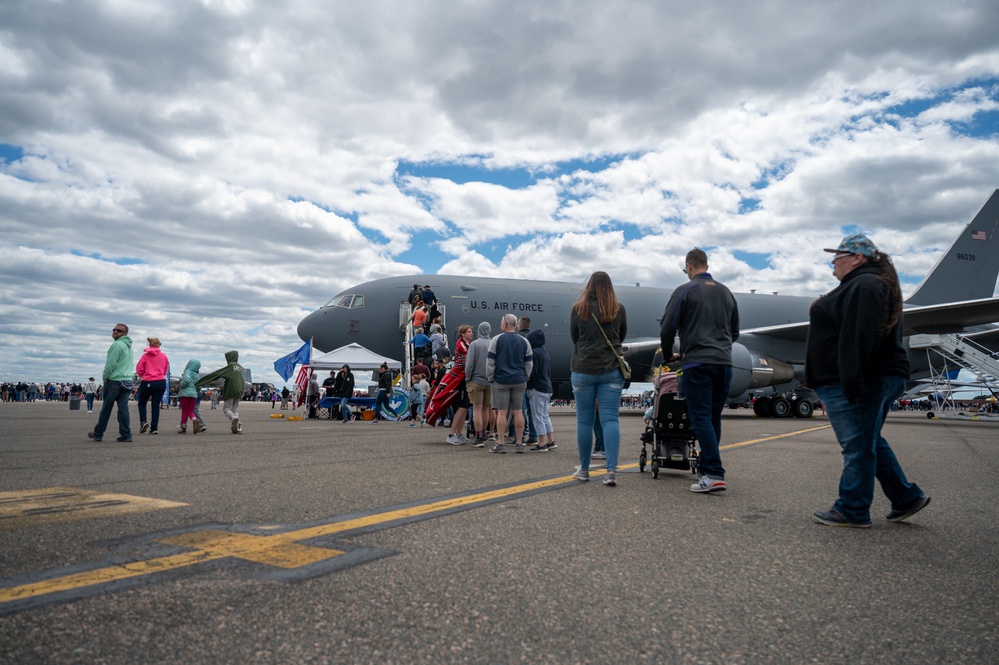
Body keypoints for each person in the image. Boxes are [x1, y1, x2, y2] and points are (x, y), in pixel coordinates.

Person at [806, 234, 930, 528]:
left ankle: (852, 509)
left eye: (836, 257)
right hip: (871, 377)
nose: (832, 264)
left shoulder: (864, 285)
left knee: (857, 445)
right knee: (868, 440)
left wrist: (851, 380)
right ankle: (906, 498)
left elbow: (858, 337)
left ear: (857, 258)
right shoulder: (866, 284)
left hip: (860, 379)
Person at [660, 249, 739, 493]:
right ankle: (706, 469)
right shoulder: (726, 292)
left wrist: (667, 356)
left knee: (700, 417)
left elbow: (666, 328)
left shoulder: (685, 290)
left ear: (689, 267)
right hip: (724, 363)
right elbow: (734, 331)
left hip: (697, 362)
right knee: (713, 417)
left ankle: (714, 472)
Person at [570, 272, 627, 485]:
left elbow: (575, 337)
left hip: (583, 368)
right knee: (610, 419)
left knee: (584, 420)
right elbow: (620, 336)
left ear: (590, 286)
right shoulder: (618, 309)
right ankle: (611, 471)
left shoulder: (578, 309)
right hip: (611, 368)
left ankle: (584, 470)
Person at [487, 314, 533, 453]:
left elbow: (490, 362)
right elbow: (529, 363)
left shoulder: (496, 339)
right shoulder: (524, 341)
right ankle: (519, 443)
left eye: (502, 322)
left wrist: (491, 377)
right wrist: (525, 376)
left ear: (505, 324)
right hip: (519, 380)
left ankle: (501, 443)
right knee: (519, 411)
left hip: (501, 380)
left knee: (501, 413)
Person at [87, 323, 135, 443]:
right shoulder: (129, 347)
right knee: (123, 408)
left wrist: (105, 377)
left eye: (118, 330)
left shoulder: (117, 345)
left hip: (115, 381)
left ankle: (98, 433)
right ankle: (126, 434)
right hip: (127, 381)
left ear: (124, 333)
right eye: (114, 330)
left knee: (106, 409)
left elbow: (111, 364)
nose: (115, 332)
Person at [195, 351, 246, 434]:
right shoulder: (240, 367)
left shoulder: (230, 366)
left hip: (231, 390)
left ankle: (233, 418)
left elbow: (217, 374)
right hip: (239, 391)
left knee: (226, 409)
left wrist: (200, 382)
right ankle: (238, 426)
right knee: (234, 409)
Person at [526, 328, 556, 452]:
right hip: (547, 387)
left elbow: (533, 373)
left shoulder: (534, 353)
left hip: (537, 388)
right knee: (544, 415)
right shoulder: (544, 352)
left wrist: (527, 382)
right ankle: (551, 440)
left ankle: (542, 444)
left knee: (537, 416)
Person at [464, 321, 493, 447]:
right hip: (490, 381)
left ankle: (479, 436)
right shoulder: (494, 343)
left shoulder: (474, 344)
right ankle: (485, 432)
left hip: (476, 380)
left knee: (477, 409)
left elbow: (469, 364)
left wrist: (468, 377)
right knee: (486, 408)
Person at [135, 337, 170, 435]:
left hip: (147, 381)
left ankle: (143, 422)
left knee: (142, 403)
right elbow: (165, 369)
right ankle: (154, 428)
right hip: (160, 381)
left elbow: (139, 369)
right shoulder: (164, 356)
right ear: (158, 345)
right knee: (155, 405)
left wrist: (144, 374)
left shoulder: (145, 356)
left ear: (150, 345)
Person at [446, 324, 474, 444]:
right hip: (462, 378)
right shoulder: (462, 345)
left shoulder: (467, 344)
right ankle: (452, 434)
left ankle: (458, 433)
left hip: (465, 378)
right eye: (468, 332)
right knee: (462, 407)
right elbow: (468, 358)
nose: (471, 333)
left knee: (465, 407)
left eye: (471, 331)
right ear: (462, 334)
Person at [177, 359, 201, 434]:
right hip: (193, 394)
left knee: (184, 411)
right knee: (190, 411)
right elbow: (199, 386)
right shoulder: (196, 375)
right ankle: (194, 420)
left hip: (185, 393)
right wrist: (195, 389)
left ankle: (183, 427)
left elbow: (186, 380)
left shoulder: (187, 371)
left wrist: (181, 385)